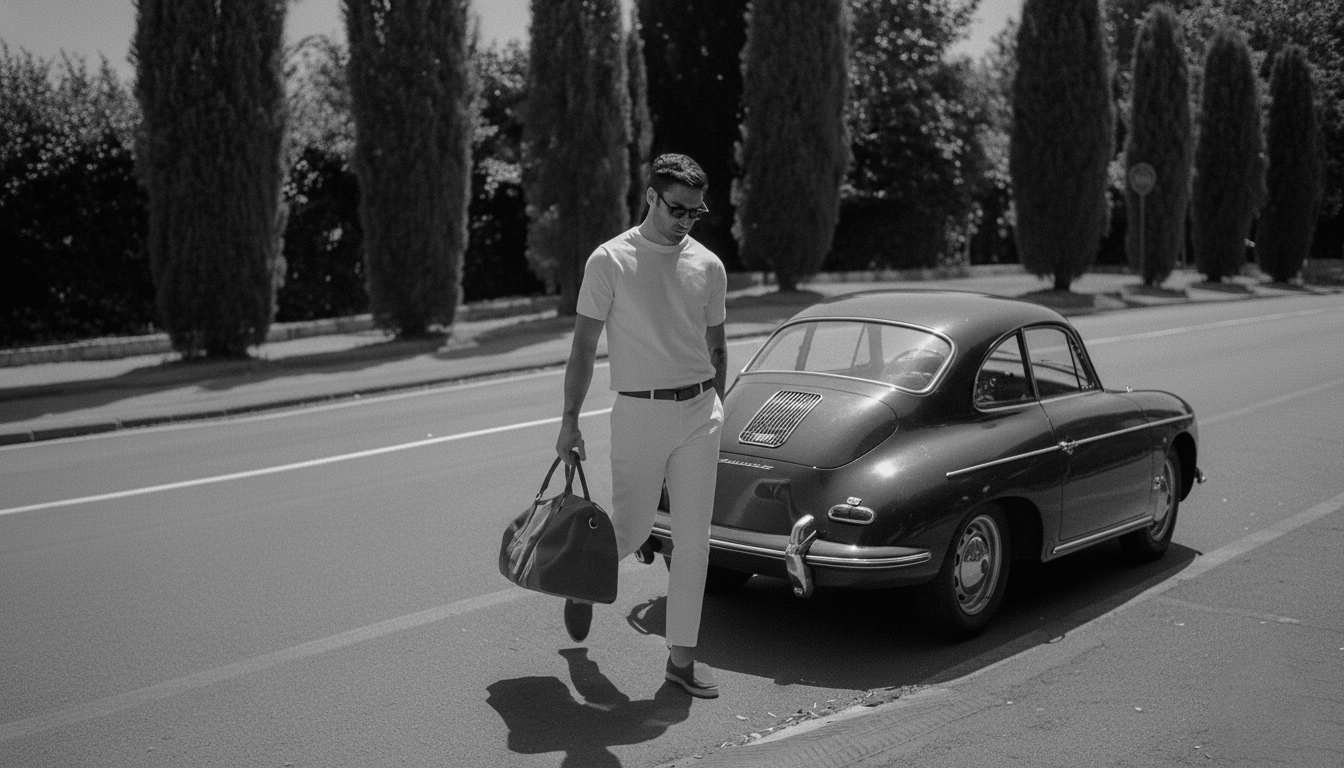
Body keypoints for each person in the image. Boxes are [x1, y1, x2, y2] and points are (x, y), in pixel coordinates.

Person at [555, 153, 728, 699]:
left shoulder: (709, 266)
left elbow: (717, 346)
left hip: (700, 413)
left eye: (696, 212)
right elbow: (583, 348)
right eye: (677, 209)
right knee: (629, 531)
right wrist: (569, 423)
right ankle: (581, 585)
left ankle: (681, 659)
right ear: (651, 197)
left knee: (694, 541)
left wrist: (717, 405)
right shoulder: (609, 261)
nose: (686, 221)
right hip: (639, 413)